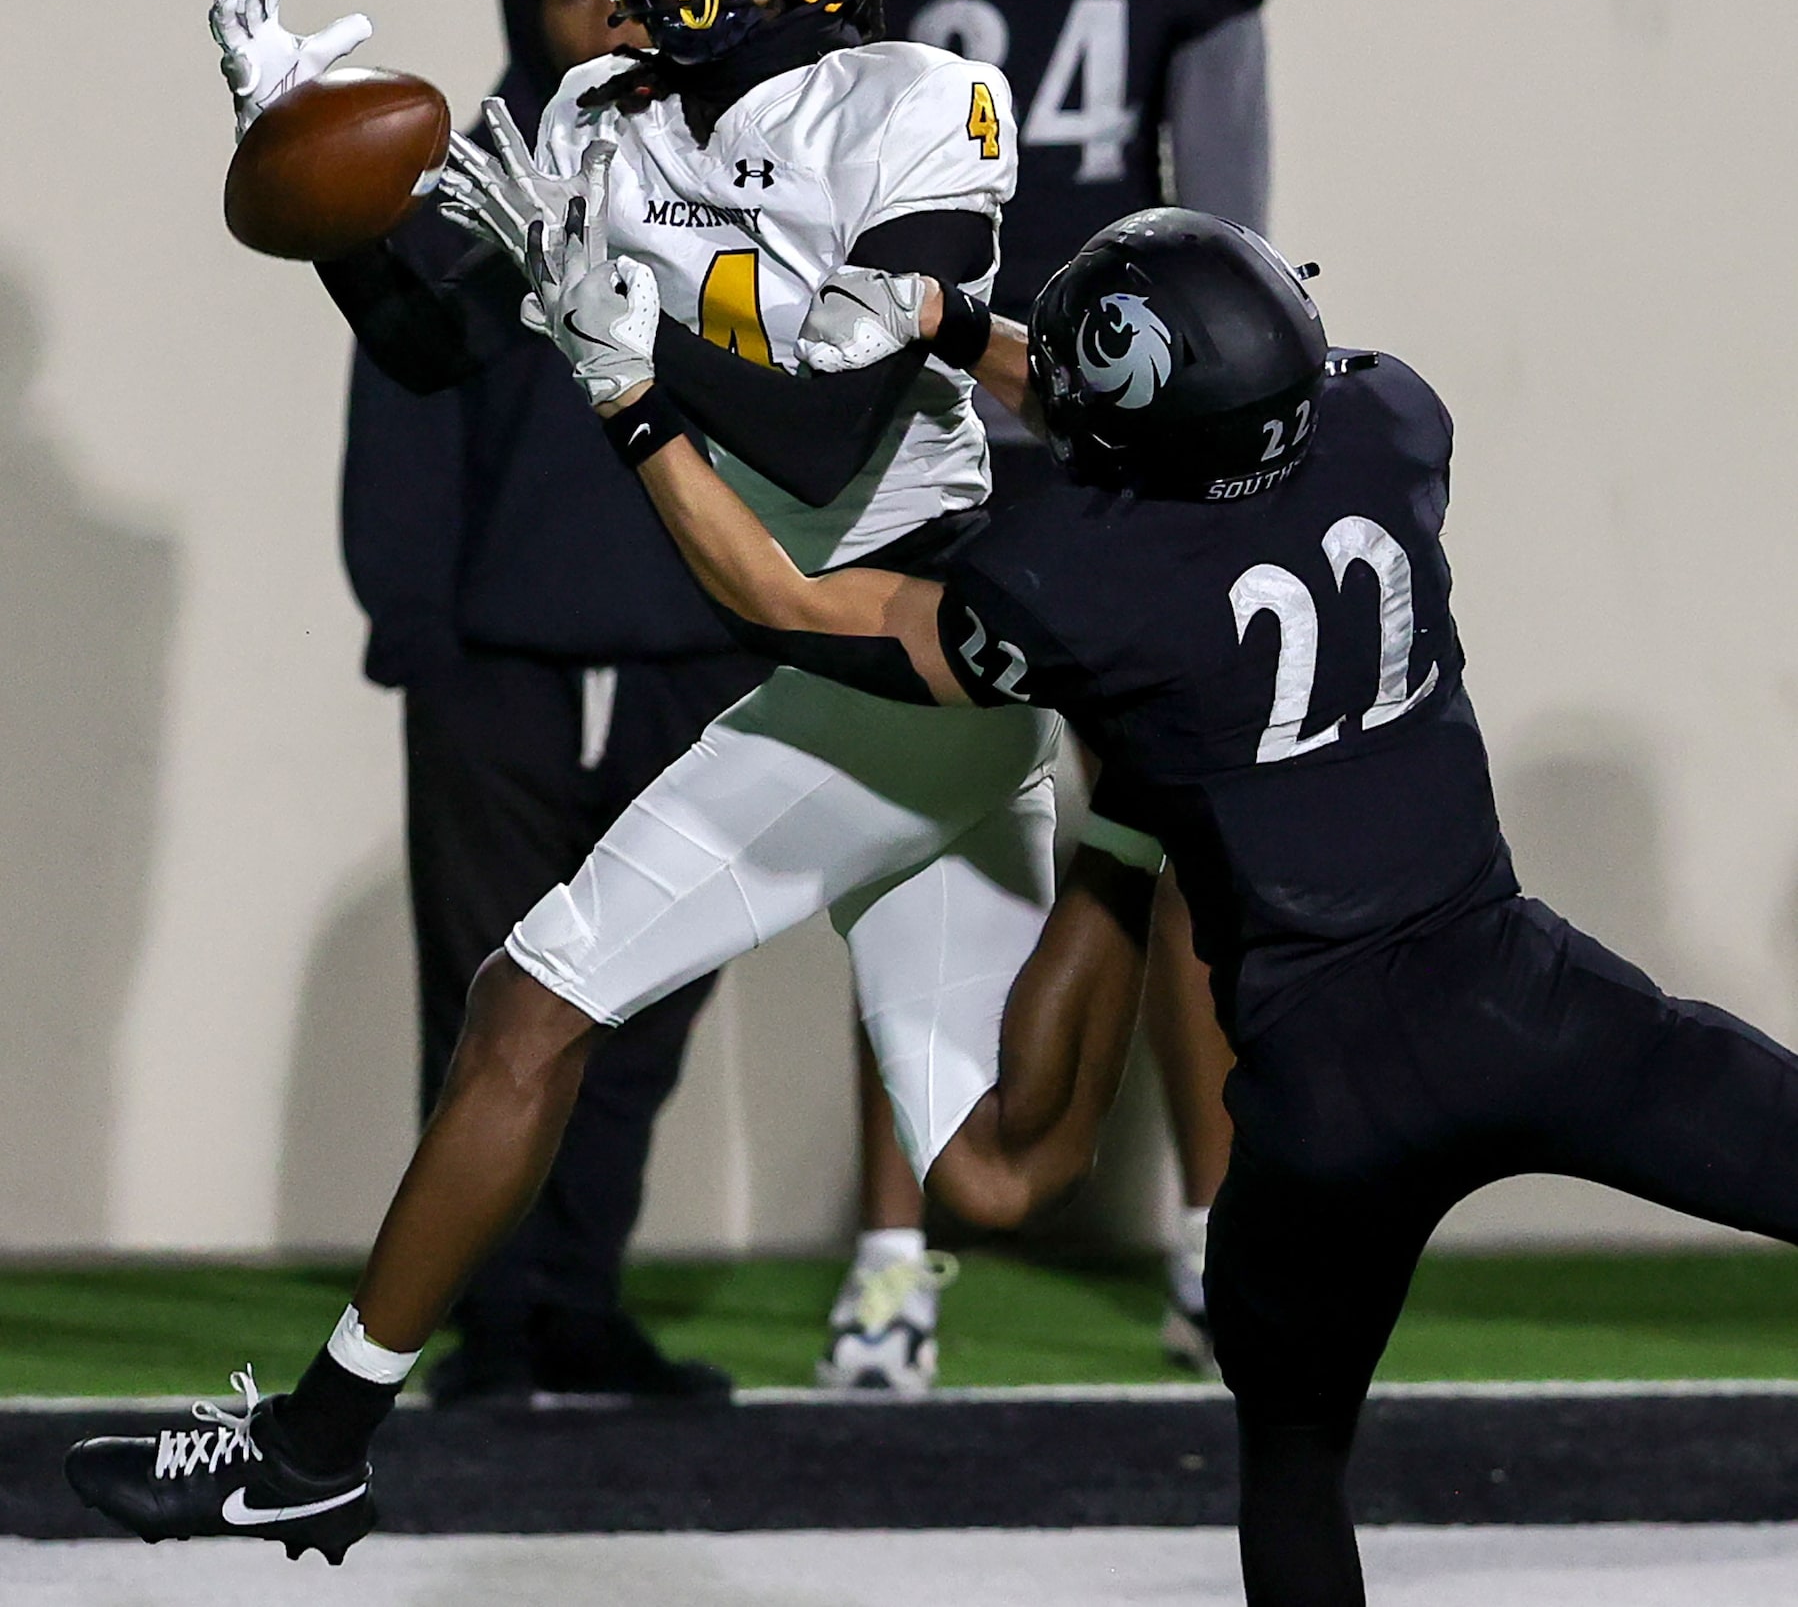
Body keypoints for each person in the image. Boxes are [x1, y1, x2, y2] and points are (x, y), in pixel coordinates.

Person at [462, 202, 1798, 1604]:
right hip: (1518, 997)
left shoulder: (1077, 582)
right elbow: (1179, 412)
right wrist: (961, 328)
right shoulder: (1390, 426)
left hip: (1321, 1094)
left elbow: (788, 601)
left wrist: (627, 399)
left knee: (1289, 1461)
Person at [65, 0, 1062, 1563]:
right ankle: (319, 1438)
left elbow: (838, 426)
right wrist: (326, 181)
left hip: (942, 661)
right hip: (807, 682)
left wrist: (630, 366)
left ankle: (1168, 890)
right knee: (525, 1006)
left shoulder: (919, 101)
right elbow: (442, 346)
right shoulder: (601, 112)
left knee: (1004, 1168)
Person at [821, 0, 1278, 1383]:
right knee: (917, 828)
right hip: (925, 439)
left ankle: (1218, 1242)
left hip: (1116, 455)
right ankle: (891, 1258)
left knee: (1180, 848)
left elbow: (1225, 226)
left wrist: (1199, 442)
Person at [341, 0, 766, 1404]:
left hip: (698, 644)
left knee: (645, 992)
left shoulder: (734, 167)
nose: (607, 7)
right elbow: (404, 406)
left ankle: (577, 1293)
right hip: (496, 659)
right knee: (486, 989)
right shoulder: (468, 183)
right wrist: (419, 630)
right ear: (527, 4)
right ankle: (490, 1313)